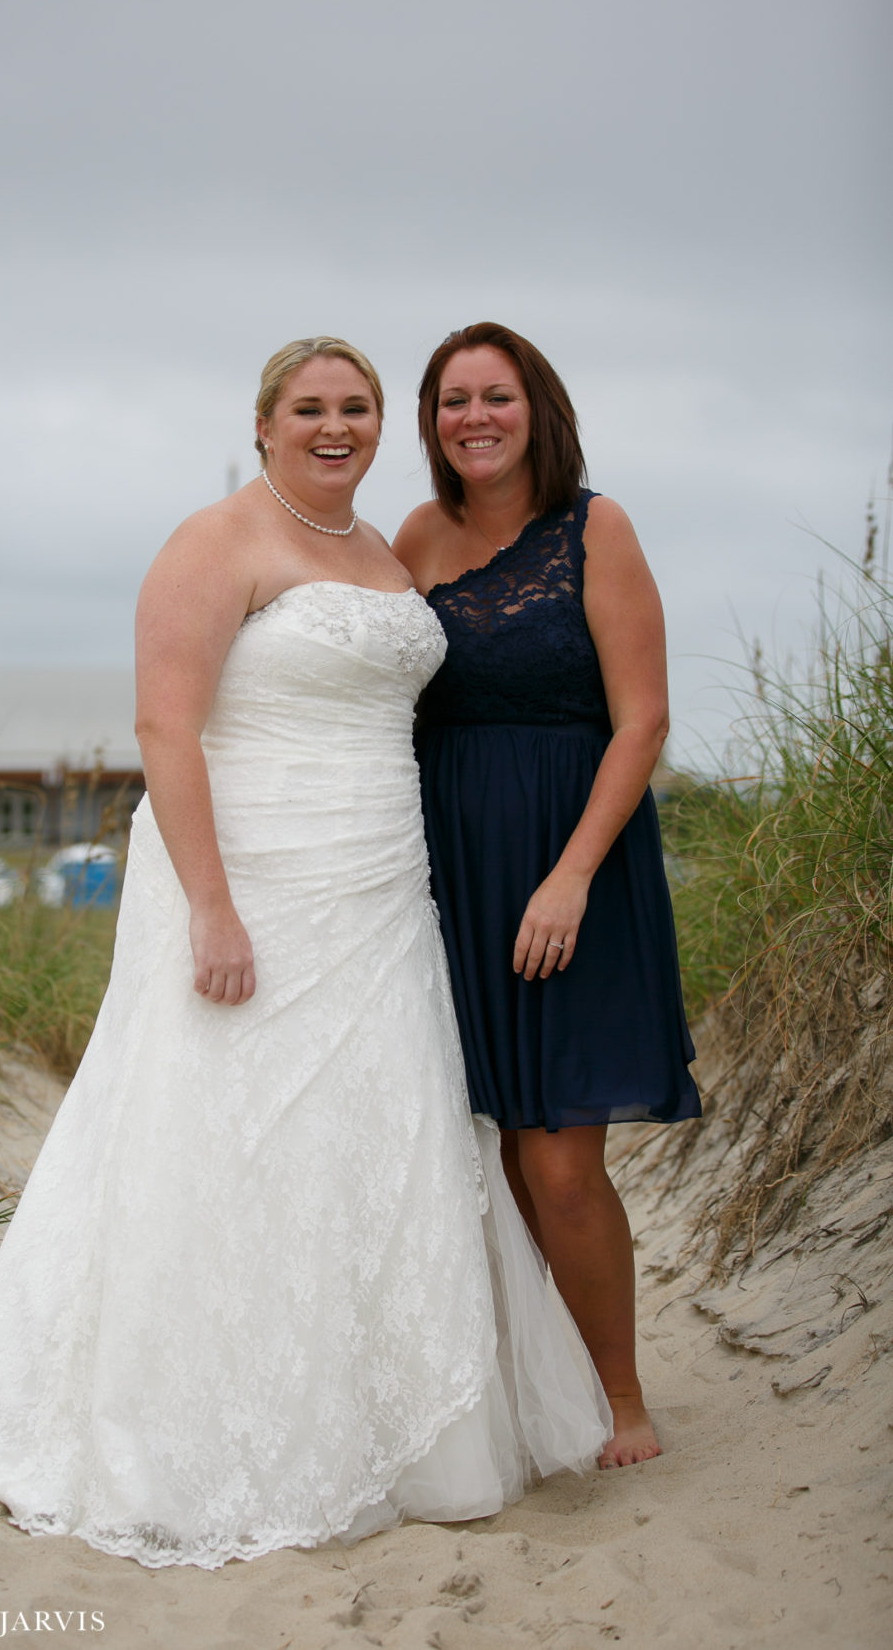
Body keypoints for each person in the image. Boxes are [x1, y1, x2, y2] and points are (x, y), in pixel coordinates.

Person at [0, 336, 610, 1570]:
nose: (334, 426)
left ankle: (390, 1429)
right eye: (309, 408)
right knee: (231, 1132)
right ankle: (201, 1429)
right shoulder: (214, 540)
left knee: (378, 1136)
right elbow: (165, 726)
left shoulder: (383, 552)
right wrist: (209, 905)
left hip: (381, 886)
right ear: (262, 424)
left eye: (356, 406)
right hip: (254, 877)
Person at [394, 322, 701, 1471]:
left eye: (495, 396)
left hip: (575, 868)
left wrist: (568, 877)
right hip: (452, 874)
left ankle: (620, 1396)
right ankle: (554, 1383)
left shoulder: (593, 528)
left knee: (561, 1161)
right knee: (505, 1149)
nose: (473, 417)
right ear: (431, 421)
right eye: (452, 400)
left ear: (538, 411)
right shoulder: (416, 537)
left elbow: (642, 720)